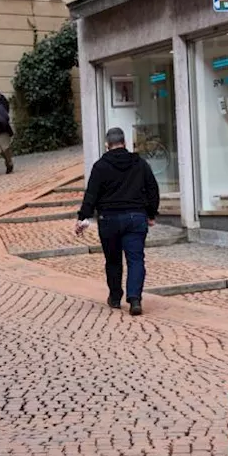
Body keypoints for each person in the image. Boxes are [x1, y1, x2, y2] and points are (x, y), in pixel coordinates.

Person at [75, 127, 160, 316]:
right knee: (136, 259)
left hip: (109, 219)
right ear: (125, 143)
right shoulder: (139, 163)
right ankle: (135, 298)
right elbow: (153, 189)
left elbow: (92, 194)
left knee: (113, 260)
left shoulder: (100, 166)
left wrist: (83, 217)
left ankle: (115, 297)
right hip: (136, 217)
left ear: (107, 145)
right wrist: (151, 213)